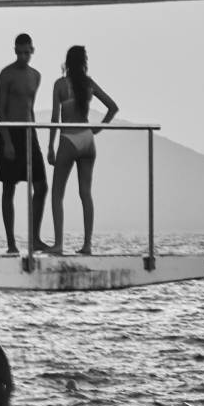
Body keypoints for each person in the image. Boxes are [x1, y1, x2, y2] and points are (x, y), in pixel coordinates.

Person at [47, 45, 119, 257]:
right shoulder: (88, 84)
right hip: (88, 139)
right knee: (85, 193)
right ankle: (87, 245)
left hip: (69, 138)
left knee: (57, 194)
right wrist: (99, 127)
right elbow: (113, 107)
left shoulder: (60, 85)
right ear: (83, 62)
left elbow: (54, 119)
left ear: (67, 63)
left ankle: (59, 244)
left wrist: (50, 146)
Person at [0, 34, 48, 254]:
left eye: (27, 52)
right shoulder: (6, 74)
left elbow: (30, 106)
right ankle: (11, 243)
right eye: (20, 52)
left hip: (29, 133)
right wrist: (7, 141)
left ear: (32, 50)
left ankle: (34, 237)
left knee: (42, 186)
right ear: (15, 50)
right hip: (10, 133)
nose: (23, 56)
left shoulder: (36, 75)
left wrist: (33, 134)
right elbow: (0, 109)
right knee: (9, 187)